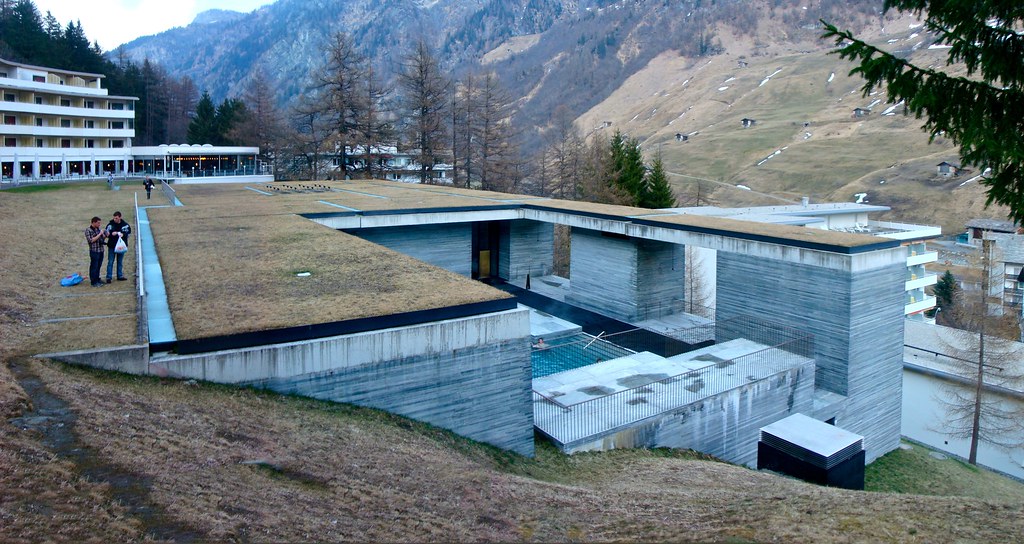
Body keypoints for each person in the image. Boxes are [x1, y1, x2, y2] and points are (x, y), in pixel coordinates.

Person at [104, 211, 131, 283]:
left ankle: (120, 275)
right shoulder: (110, 225)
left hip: (121, 247)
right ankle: (109, 277)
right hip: (112, 246)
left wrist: (123, 234)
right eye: (114, 218)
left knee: (120, 261)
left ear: (120, 217)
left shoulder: (125, 225)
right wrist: (111, 234)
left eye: (116, 218)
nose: (115, 219)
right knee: (110, 261)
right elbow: (106, 233)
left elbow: (128, 233)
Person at [84, 216, 107, 287]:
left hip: (101, 250)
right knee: (94, 266)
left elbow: (102, 239)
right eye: (98, 223)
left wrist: (104, 235)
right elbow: (91, 240)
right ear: (93, 222)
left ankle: (97, 279)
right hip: (94, 251)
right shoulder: (88, 230)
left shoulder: (98, 229)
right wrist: (99, 234)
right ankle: (93, 281)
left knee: (99, 266)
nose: (99, 224)